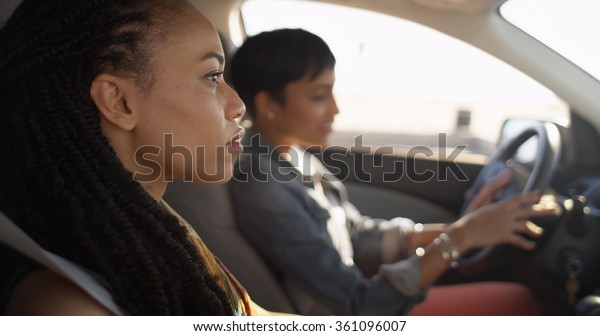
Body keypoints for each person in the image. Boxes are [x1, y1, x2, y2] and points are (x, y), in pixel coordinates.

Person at [229, 28, 553, 315]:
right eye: (318, 95)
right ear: (268, 104)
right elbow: (361, 306)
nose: (335, 109)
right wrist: (462, 237)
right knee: (515, 301)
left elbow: (355, 236)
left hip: (362, 296)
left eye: (332, 91)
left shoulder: (293, 156)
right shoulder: (264, 186)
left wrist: (464, 226)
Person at [0, 0, 280, 316]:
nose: (238, 105)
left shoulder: (150, 220)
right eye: (212, 76)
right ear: (119, 102)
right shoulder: (67, 308)